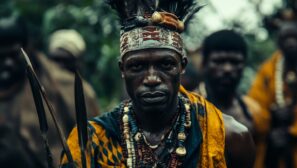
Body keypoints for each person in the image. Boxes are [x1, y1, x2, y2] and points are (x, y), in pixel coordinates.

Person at [61, 1, 255, 167]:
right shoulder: (89, 142)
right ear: (122, 70)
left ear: (182, 66)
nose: (152, 78)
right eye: (137, 66)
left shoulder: (230, 138)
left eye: (166, 64)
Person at [0, 15, 99, 168]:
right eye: (2, 57)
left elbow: (93, 137)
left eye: (13, 55)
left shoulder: (60, 83)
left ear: (26, 49)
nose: (7, 63)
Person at [248, 21, 297, 168]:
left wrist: (293, 130)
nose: (290, 42)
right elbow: (255, 105)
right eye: (285, 38)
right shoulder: (268, 69)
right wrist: (271, 116)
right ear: (279, 43)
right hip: (272, 142)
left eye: (294, 37)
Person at [195, 30, 261, 133]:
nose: (227, 69)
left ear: (244, 65)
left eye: (235, 62)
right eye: (219, 61)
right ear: (204, 63)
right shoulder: (188, 108)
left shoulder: (254, 111)